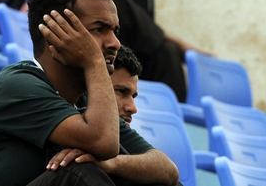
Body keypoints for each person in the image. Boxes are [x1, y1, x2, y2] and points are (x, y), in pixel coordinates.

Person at [0, 0, 121, 185]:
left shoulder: (88, 103)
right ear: (55, 33)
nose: (115, 43)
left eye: (115, 31)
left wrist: (113, 164)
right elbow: (103, 142)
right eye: (99, 29)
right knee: (79, 173)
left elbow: (167, 170)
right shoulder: (16, 85)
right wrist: (94, 62)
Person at [0, 0, 213, 103]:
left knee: (164, 53)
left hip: (83, 36)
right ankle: (168, 40)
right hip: (42, 39)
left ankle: (167, 46)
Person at [47, 45, 180, 185]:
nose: (133, 108)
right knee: (82, 168)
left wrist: (112, 163)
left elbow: (169, 170)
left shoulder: (115, 126)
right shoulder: (56, 105)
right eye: (122, 92)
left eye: (133, 97)